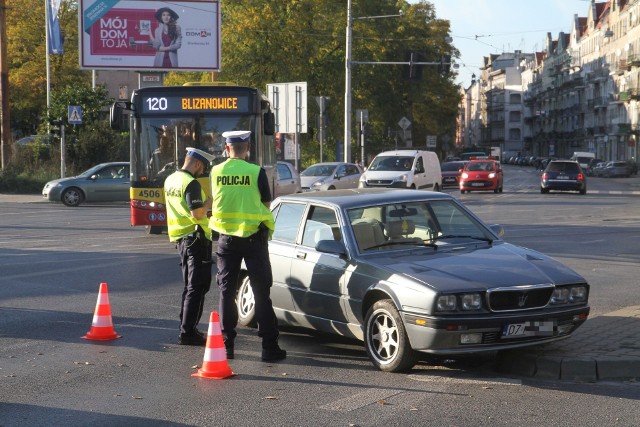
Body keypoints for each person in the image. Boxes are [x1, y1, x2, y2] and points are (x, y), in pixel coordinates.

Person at [209, 130, 286, 362]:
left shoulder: (215, 171)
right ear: (248, 147)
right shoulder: (256, 172)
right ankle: (269, 347)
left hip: (226, 240)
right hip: (254, 239)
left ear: (226, 148)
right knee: (261, 293)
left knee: (226, 291)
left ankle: (227, 345)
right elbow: (266, 203)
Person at [163, 147, 215, 346]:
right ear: (198, 164)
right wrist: (210, 201)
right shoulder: (190, 183)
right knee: (198, 286)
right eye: (202, 169)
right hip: (196, 239)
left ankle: (186, 327)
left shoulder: (171, 180)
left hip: (182, 238)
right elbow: (197, 214)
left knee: (190, 285)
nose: (201, 173)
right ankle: (188, 332)